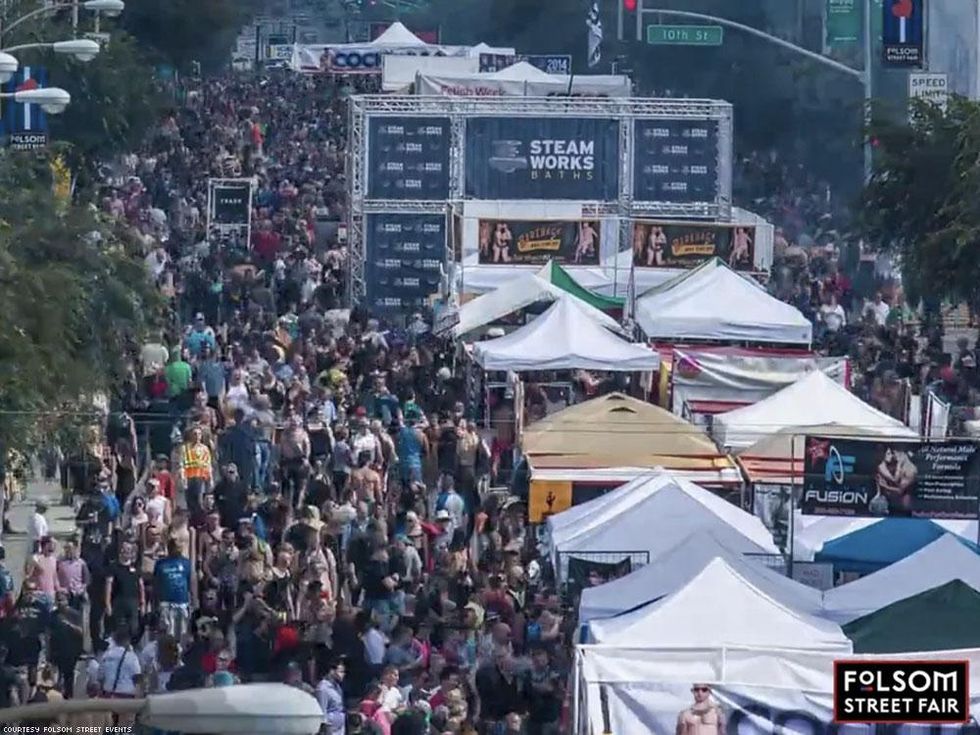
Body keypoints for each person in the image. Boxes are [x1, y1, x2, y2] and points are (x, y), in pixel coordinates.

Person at [154, 538, 194, 642]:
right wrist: (156, 602)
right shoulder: (160, 563)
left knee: (182, 633)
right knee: (167, 634)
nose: (179, 549)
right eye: (176, 547)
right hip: (166, 603)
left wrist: (193, 599)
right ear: (170, 547)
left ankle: (180, 655)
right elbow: (156, 583)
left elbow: (190, 582)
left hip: (182, 602)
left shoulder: (186, 563)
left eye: (180, 547)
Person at [316, 656, 347, 735]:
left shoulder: (338, 687)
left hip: (340, 729)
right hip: (331, 730)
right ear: (332, 671)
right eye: (341, 671)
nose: (343, 674)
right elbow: (322, 712)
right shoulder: (323, 688)